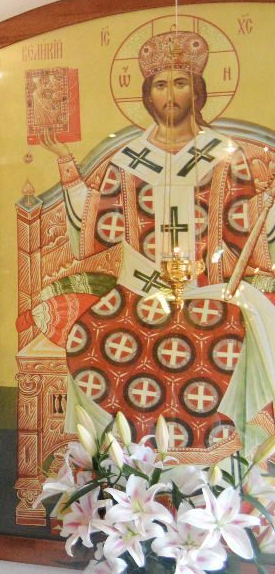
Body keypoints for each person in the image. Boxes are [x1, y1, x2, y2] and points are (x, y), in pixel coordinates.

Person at [32, 30, 275, 454]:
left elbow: (247, 226)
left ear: (197, 91)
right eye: (160, 84)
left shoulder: (223, 154)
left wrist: (267, 199)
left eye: (181, 82)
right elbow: (94, 227)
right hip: (138, 291)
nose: (170, 94)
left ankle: (209, 451)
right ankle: (129, 456)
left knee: (221, 334)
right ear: (147, 94)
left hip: (206, 290)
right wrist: (66, 164)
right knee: (89, 337)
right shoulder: (128, 158)